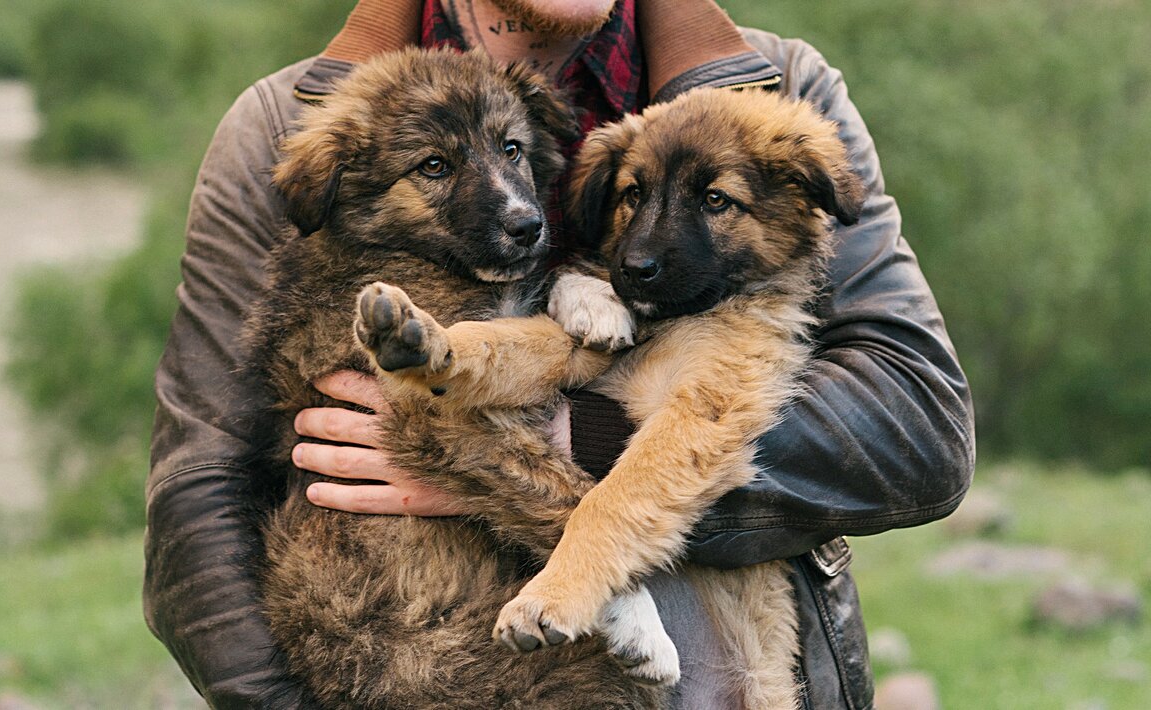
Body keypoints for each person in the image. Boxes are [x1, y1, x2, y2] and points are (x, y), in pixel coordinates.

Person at [144, 0, 975, 707]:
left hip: (733, 677)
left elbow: (917, 422)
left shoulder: (776, 94)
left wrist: (568, 444)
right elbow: (196, 505)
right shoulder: (283, 126)